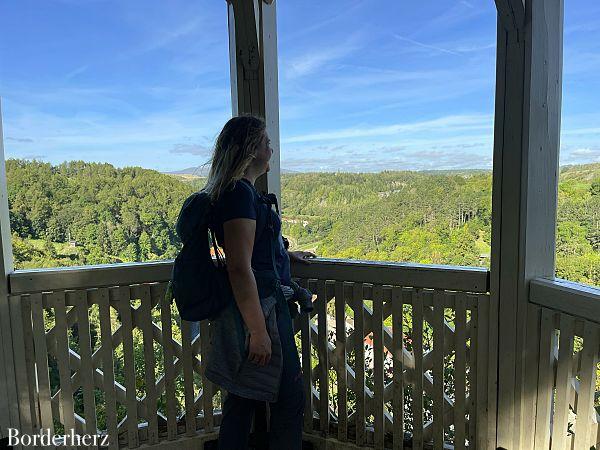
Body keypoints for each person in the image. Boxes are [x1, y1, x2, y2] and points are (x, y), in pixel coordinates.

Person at [201, 115, 316, 449]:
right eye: (266, 141)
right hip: (261, 311)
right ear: (252, 149)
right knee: (288, 396)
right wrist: (258, 332)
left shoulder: (241, 192)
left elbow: (250, 254)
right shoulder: (238, 194)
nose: (271, 147)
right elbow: (239, 266)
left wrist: (283, 255)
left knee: (243, 396)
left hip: (256, 306)